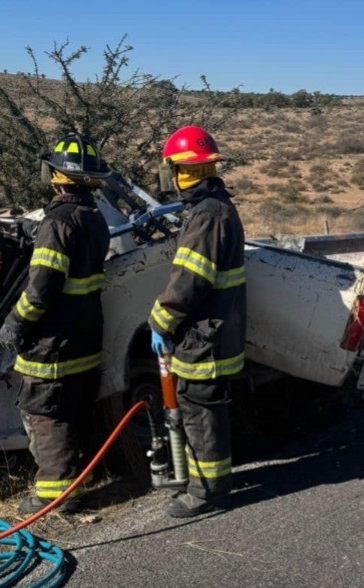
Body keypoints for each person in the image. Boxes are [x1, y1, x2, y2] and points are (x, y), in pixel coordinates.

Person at [0, 133, 112, 515]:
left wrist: (15, 323)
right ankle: (80, 478)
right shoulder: (94, 219)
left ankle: (55, 496)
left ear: (58, 177)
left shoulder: (58, 223)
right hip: (85, 335)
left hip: (53, 343)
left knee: (47, 414)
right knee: (74, 409)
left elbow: (41, 289)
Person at [148, 126, 247, 518]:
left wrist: (159, 321)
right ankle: (207, 484)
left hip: (206, 336)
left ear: (179, 171)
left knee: (200, 412)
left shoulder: (208, 216)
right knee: (201, 410)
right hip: (213, 331)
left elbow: (190, 281)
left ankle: (208, 492)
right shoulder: (216, 209)